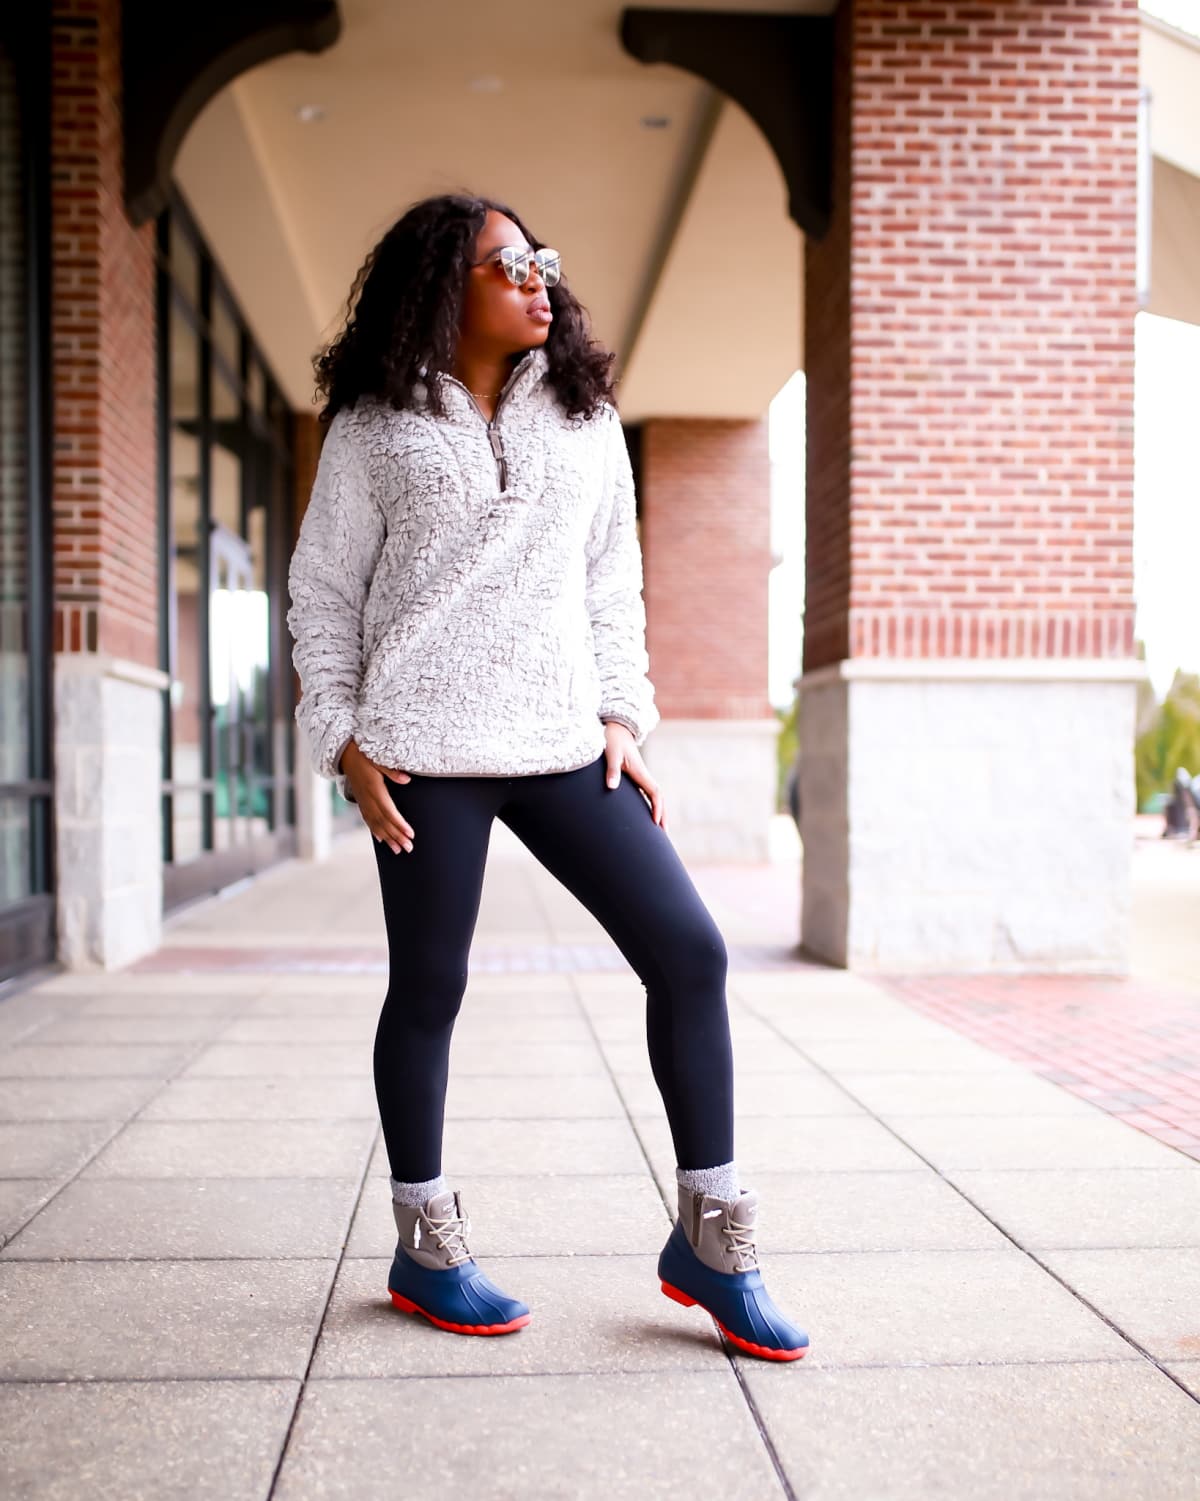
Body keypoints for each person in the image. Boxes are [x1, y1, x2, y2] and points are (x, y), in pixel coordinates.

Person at [286, 192, 808, 1361]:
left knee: (691, 951)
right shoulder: (373, 427)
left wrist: (626, 711)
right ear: (441, 287)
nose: (539, 279)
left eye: (543, 261)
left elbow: (611, 580)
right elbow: (321, 592)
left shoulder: (584, 417)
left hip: (567, 743)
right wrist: (344, 737)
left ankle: (713, 1241)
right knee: (429, 991)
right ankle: (426, 1245)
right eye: (506, 264)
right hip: (423, 750)